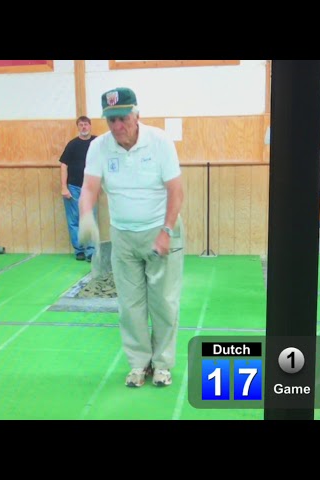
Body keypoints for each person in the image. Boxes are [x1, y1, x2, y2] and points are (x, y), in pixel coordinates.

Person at [78, 87, 184, 388]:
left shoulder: (160, 142)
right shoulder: (99, 147)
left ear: (137, 115)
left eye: (122, 118)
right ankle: (139, 364)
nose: (117, 126)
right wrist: (86, 214)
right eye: (110, 120)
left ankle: (162, 364)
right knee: (130, 305)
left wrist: (166, 231)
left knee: (163, 302)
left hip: (160, 229)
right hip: (123, 235)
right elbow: (89, 187)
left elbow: (176, 191)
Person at [59, 116, 97, 261]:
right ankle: (79, 250)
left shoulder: (97, 143)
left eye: (86, 124)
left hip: (91, 188)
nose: (84, 127)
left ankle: (91, 251)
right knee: (74, 220)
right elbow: (63, 165)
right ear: (78, 127)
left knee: (89, 218)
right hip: (74, 188)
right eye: (81, 125)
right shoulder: (72, 145)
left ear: (90, 126)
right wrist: (64, 187)